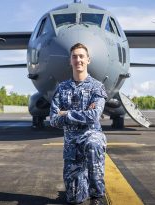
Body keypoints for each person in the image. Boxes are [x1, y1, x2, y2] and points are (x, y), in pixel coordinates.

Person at [50, 43, 107, 204]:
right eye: (74, 56)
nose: (78, 60)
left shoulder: (97, 87)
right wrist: (84, 114)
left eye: (81, 56)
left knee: (93, 145)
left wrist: (66, 113)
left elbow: (94, 116)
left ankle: (96, 194)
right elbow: (53, 119)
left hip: (91, 135)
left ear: (88, 60)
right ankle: (81, 184)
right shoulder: (61, 89)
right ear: (70, 61)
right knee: (74, 199)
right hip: (71, 145)